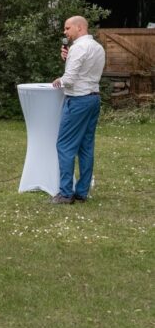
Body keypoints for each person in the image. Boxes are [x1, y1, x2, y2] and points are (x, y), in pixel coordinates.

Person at [51, 16, 106, 204]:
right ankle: (82, 192)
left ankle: (65, 193)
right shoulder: (98, 48)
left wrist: (60, 80)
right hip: (94, 99)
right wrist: (67, 59)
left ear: (79, 27)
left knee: (64, 145)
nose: (65, 32)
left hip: (78, 101)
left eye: (67, 28)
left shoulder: (78, 48)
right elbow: (85, 72)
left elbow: (71, 78)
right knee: (86, 146)